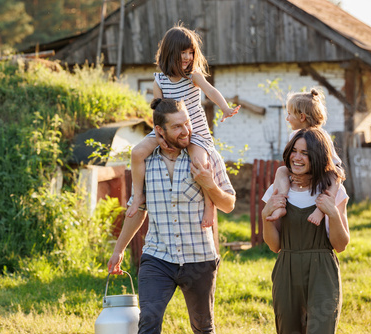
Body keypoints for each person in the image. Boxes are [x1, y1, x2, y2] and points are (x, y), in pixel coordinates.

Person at [108, 98, 236, 334]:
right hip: (158, 256)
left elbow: (228, 204)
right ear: (159, 130)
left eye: (186, 123)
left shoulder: (206, 156)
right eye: (177, 127)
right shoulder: (146, 161)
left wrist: (210, 185)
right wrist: (118, 250)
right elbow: (137, 211)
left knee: (203, 327)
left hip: (199, 258)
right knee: (148, 321)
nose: (186, 130)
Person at [126, 24, 240, 229]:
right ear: (170, 53)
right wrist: (159, 136)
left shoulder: (193, 76)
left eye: (191, 52)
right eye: (183, 52)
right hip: (167, 129)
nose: (188, 57)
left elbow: (211, 91)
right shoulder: (159, 80)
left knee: (200, 163)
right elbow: (158, 112)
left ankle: (209, 205)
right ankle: (137, 196)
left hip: (195, 131)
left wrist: (224, 108)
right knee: (137, 152)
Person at [262, 128, 350, 334]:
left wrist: (333, 214)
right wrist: (265, 215)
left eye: (305, 153)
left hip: (323, 273)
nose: (297, 158)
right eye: (295, 150)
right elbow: (274, 246)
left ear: (318, 157)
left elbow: (341, 245)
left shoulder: (333, 191)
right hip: (287, 270)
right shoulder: (277, 189)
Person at [267, 88, 342, 225]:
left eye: (289, 114)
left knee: (335, 177)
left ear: (301, 117)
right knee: (281, 170)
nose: (287, 118)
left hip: (327, 171)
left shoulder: (321, 136)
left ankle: (321, 209)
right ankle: (281, 203)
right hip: (306, 171)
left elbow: (331, 165)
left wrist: (310, 176)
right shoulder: (294, 135)